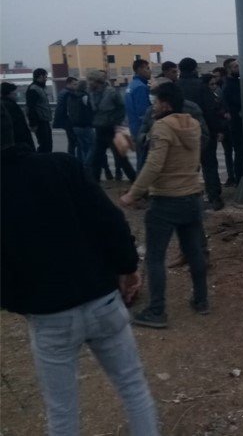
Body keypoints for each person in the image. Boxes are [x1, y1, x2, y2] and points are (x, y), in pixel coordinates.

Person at [0, 114, 160, 436]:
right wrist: (127, 267)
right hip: (102, 299)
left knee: (62, 413)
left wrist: (21, 302)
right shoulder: (61, 166)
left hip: (49, 316)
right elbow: (108, 220)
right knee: (133, 387)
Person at [121, 82, 209, 328]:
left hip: (167, 200)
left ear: (166, 104)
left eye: (156, 102)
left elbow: (154, 165)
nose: (154, 106)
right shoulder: (192, 124)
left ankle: (157, 311)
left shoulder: (162, 127)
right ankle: (201, 300)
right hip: (192, 197)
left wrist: (133, 194)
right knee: (194, 252)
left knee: (155, 257)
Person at [177, 57, 224, 210]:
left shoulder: (175, 87)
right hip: (203, 132)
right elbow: (211, 111)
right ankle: (214, 197)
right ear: (194, 69)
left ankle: (186, 197)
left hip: (181, 133)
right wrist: (217, 130)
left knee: (187, 167)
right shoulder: (201, 86)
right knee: (209, 164)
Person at [87, 70, 136, 183]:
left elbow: (121, 108)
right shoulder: (91, 93)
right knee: (96, 159)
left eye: (90, 80)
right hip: (99, 129)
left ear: (97, 81)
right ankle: (94, 183)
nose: (88, 83)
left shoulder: (111, 92)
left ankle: (135, 181)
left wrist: (116, 122)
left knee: (121, 158)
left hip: (111, 129)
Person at [125, 59, 152, 171]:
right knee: (145, 161)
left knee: (140, 158)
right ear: (139, 69)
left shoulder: (131, 86)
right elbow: (144, 112)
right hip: (142, 129)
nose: (150, 71)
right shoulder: (141, 87)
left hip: (134, 127)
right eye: (147, 68)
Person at [222, 56, 243, 183]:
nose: (239, 68)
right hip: (236, 123)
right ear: (229, 70)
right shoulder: (229, 85)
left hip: (239, 122)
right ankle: (239, 179)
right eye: (236, 67)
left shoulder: (236, 82)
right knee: (240, 152)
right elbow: (238, 101)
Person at [67, 80, 95, 165]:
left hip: (75, 126)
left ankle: (82, 165)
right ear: (85, 87)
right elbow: (91, 109)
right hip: (85, 125)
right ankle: (86, 165)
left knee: (83, 147)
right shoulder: (84, 96)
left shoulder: (71, 96)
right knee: (93, 145)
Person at [1, 81, 35, 151]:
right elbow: (18, 125)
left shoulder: (6, 104)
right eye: (14, 93)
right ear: (9, 93)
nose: (16, 95)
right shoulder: (10, 106)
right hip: (19, 140)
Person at [26, 68, 53, 152]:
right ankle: (41, 159)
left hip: (44, 120)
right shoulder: (33, 89)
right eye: (45, 76)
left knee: (47, 144)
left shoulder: (39, 88)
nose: (46, 79)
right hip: (40, 122)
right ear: (41, 76)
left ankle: (45, 158)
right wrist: (33, 123)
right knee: (44, 144)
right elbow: (31, 108)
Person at [53, 77, 79, 155]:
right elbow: (69, 108)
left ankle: (71, 156)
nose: (76, 86)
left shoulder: (63, 92)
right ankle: (72, 157)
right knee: (74, 141)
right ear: (69, 84)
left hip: (64, 120)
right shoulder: (68, 93)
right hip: (68, 120)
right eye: (74, 84)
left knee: (72, 141)